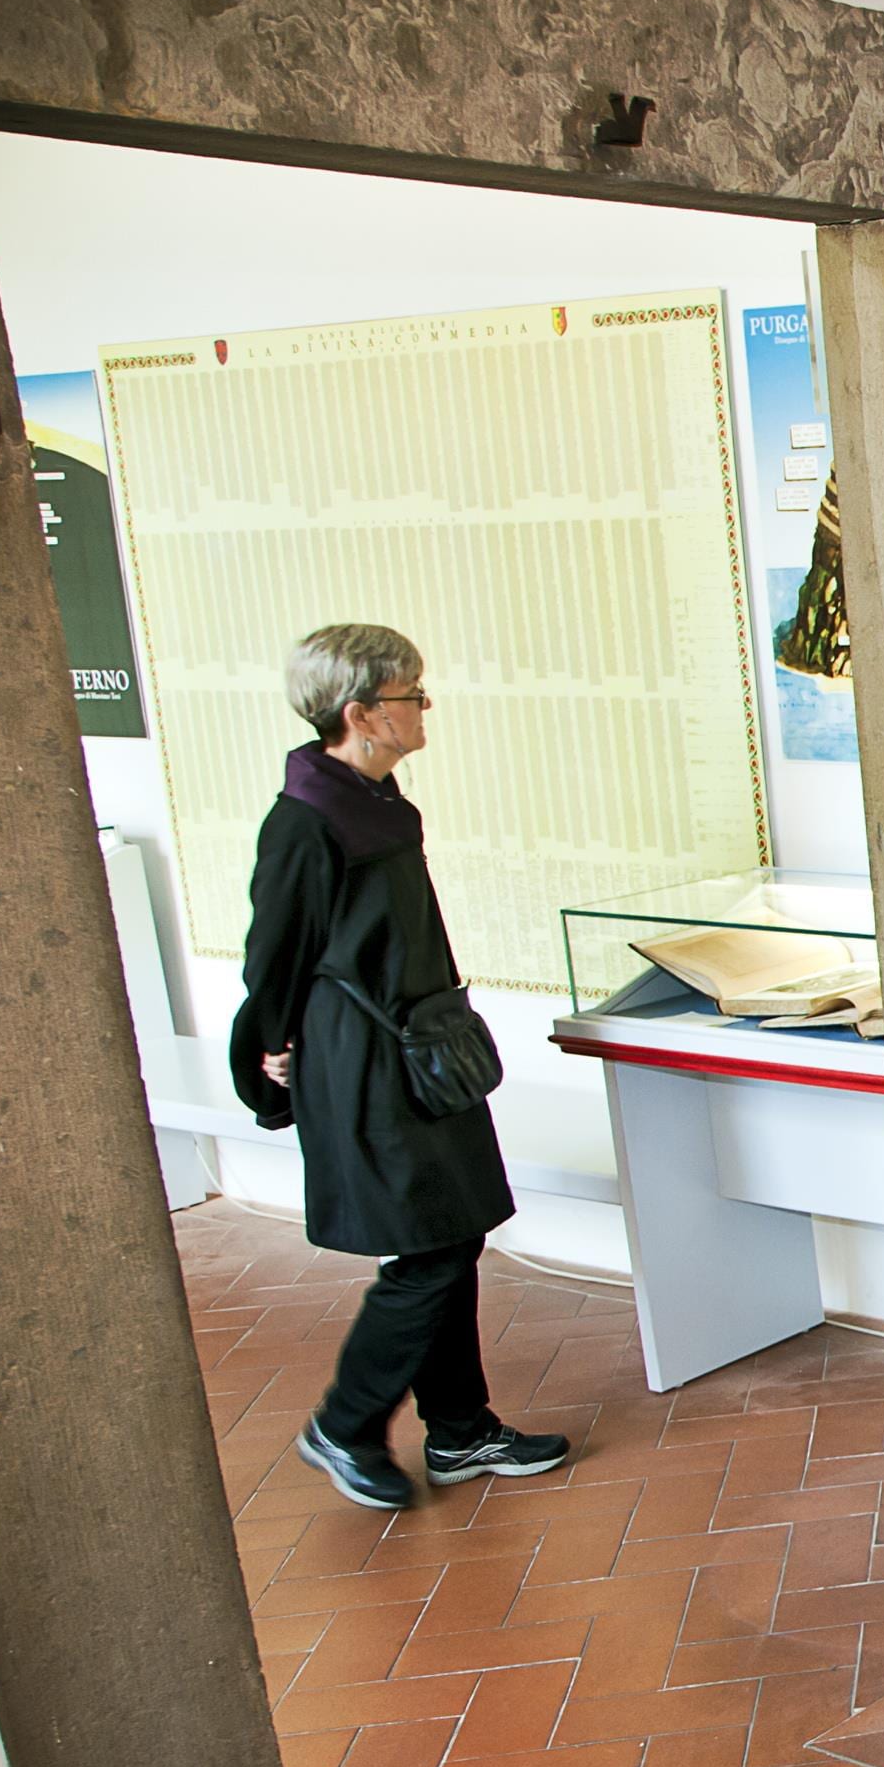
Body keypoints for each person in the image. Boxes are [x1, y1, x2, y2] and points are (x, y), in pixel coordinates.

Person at [231, 624, 572, 1510]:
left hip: (420, 1045)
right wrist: (270, 1039)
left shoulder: (380, 802)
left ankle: (458, 1431)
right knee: (431, 1244)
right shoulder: (305, 822)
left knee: (452, 1230)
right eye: (410, 694)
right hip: (364, 1058)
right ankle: (345, 1425)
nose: (424, 707)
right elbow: (273, 952)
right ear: (360, 714)